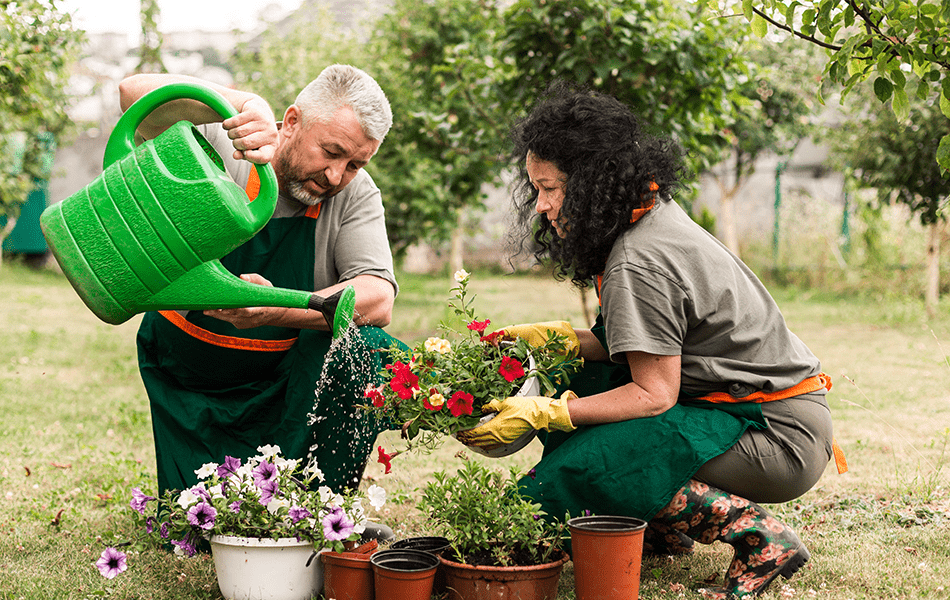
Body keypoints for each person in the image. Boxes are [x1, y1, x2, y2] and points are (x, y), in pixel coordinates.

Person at [458, 83, 844, 599]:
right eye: (537, 189)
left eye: (551, 188)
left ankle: (761, 539)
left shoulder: (638, 260)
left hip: (776, 437)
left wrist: (546, 412)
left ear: (593, 183)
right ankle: (664, 528)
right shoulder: (650, 214)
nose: (542, 207)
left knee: (596, 459)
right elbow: (635, 347)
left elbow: (653, 394)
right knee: (584, 383)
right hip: (746, 411)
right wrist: (558, 341)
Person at [120, 65, 401, 503]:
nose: (335, 176)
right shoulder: (226, 140)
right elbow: (132, 95)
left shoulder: (355, 193)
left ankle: (323, 508)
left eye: (354, 164)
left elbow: (378, 298)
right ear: (291, 122)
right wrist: (245, 102)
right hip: (192, 377)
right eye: (331, 152)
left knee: (368, 347)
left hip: (284, 390)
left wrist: (275, 308)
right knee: (203, 528)